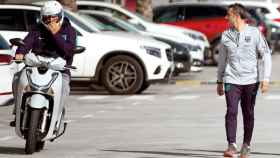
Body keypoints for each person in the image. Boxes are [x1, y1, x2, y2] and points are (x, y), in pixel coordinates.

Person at [217, 3, 272, 158]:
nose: (226, 17)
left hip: (251, 80)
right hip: (231, 79)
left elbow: (266, 55)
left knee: (248, 113)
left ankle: (246, 145)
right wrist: (219, 81)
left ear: (237, 15)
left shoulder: (254, 33)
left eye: (229, 14)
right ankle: (231, 145)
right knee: (231, 111)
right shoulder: (226, 35)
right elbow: (222, 60)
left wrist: (265, 78)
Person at [10, 1, 77, 126]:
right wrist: (20, 53)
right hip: (36, 64)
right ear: (42, 17)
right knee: (17, 78)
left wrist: (55, 34)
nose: (51, 20)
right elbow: (26, 43)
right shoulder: (37, 29)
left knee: (64, 87)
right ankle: (18, 110)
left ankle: (57, 117)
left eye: (54, 17)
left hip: (59, 69)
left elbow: (69, 51)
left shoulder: (70, 31)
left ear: (60, 15)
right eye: (47, 18)